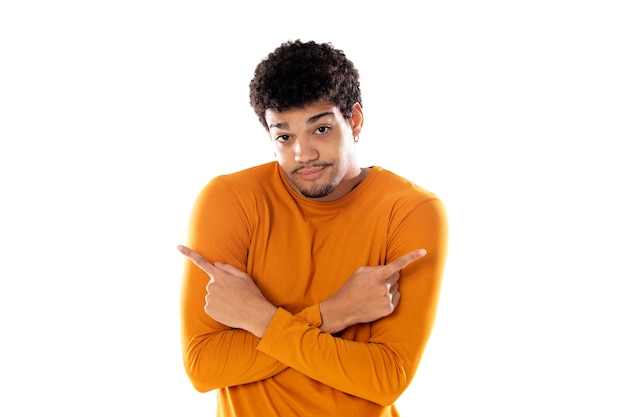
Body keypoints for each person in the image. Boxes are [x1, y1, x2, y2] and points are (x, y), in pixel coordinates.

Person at [178, 39, 448, 417]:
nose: (302, 154)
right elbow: (204, 367)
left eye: (320, 129)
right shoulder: (231, 200)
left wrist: (257, 318)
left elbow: (387, 378)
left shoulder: (409, 210)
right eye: (284, 136)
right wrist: (333, 313)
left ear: (353, 120)